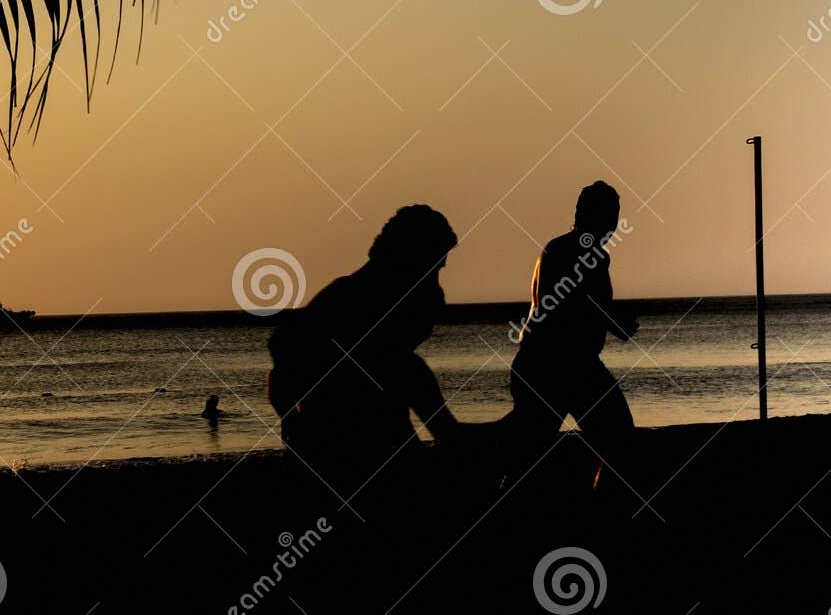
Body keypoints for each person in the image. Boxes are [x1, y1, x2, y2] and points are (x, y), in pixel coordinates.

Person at [267, 204, 463, 494]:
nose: (438, 290)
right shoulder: (354, 309)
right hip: (350, 462)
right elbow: (285, 350)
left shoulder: (397, 357)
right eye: (433, 267)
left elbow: (283, 351)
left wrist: (292, 423)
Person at [506, 181, 638, 494]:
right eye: (609, 216)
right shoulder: (584, 254)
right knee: (619, 438)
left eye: (614, 217)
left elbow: (583, 305)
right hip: (563, 367)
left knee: (528, 455)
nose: (611, 226)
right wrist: (618, 324)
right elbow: (587, 306)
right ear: (589, 216)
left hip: (545, 364)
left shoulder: (558, 248)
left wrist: (613, 321)